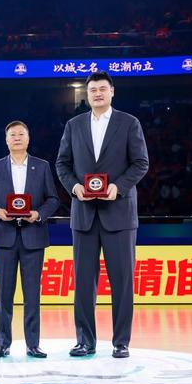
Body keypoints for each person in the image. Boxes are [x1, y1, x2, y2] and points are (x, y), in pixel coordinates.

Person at [55, 71, 149, 358]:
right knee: (84, 283)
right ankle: (85, 340)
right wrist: (74, 187)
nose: (97, 93)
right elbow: (62, 164)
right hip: (84, 214)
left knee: (122, 282)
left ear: (112, 92)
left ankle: (121, 342)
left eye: (102, 89)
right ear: (87, 94)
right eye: (93, 90)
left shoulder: (129, 123)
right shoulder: (74, 125)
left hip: (119, 214)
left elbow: (141, 163)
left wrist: (118, 187)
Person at [0, 121, 59, 358]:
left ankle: (33, 344)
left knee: (32, 295)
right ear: (6, 140)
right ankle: (2, 344)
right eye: (12, 135)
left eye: (21, 134)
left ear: (28, 138)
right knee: (4, 295)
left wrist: (38, 214)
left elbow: (53, 199)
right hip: (4, 238)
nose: (16, 138)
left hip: (33, 237)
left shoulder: (41, 166)